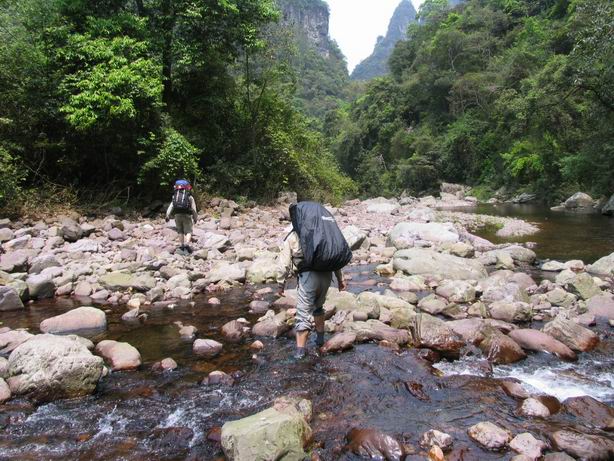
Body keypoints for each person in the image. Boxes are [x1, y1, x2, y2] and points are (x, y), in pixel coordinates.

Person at [276, 202, 351, 359]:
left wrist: (280, 284)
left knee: (303, 315)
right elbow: (331, 254)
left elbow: (283, 265)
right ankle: (320, 341)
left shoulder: (293, 235)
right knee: (318, 307)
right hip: (326, 275)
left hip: (308, 277)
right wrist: (340, 279)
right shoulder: (321, 233)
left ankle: (299, 355)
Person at [165, 179, 198, 254]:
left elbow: (171, 207)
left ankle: (182, 245)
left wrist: (167, 216)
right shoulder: (189, 197)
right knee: (189, 231)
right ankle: (187, 244)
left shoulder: (174, 197)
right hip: (187, 215)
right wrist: (195, 218)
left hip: (177, 215)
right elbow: (194, 209)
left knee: (180, 231)